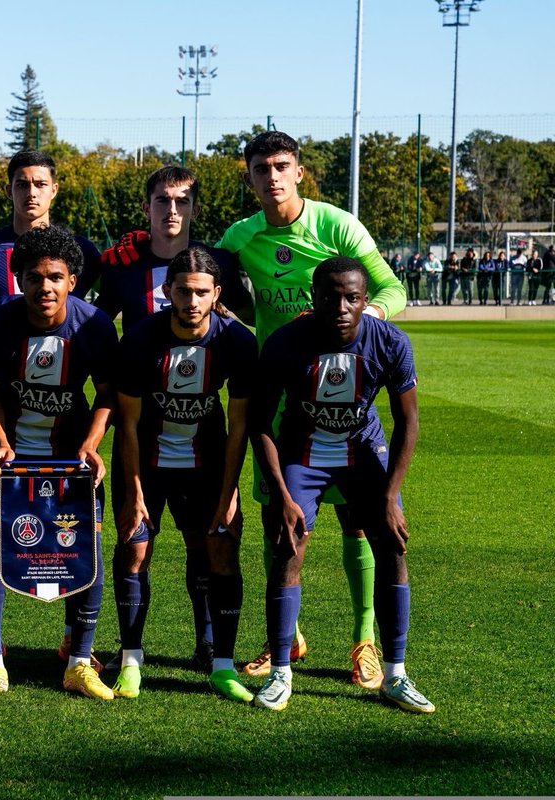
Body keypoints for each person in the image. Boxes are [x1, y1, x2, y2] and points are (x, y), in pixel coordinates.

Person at [216, 131, 406, 689]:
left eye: (281, 166)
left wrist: (361, 324)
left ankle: (365, 639)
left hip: (345, 399)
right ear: (249, 178)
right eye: (259, 168)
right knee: (281, 523)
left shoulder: (337, 226)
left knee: (359, 524)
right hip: (283, 402)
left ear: (300, 172)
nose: (271, 176)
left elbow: (392, 289)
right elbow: (227, 296)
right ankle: (287, 639)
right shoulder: (239, 237)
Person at [249, 257, 432, 714]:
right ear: (314, 299)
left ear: (365, 300)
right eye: (330, 297)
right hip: (302, 454)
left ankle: (396, 674)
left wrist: (390, 496)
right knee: (288, 547)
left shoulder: (390, 341)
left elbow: (408, 422)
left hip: (362, 453)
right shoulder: (286, 342)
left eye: (352, 297)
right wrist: (282, 494)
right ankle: (280, 674)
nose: (341, 306)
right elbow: (260, 424)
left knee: (392, 546)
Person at [0, 224, 118, 701]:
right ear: (19, 279)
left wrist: (91, 444)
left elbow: (109, 394)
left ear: (72, 280)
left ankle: (78, 661)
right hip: (8, 459)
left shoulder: (93, 326)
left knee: (83, 548)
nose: (44, 287)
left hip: (68, 461)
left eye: (55, 277)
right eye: (34, 277)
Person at [112, 247, 258, 703]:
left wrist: (229, 492)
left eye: (200, 293)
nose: (191, 301)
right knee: (135, 551)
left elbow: (239, 429)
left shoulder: (236, 341)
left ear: (217, 294)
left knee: (219, 549)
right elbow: (129, 426)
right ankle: (132, 659)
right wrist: (134, 492)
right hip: (148, 461)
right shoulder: (138, 340)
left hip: (208, 460)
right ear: (165, 291)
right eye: (182, 291)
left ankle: (221, 664)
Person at [0, 149, 101, 329]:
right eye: (22, 184)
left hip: (66, 356)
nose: (32, 192)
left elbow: (115, 296)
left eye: (40, 184)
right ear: (9, 190)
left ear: (54, 190)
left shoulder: (82, 250)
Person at [96, 165, 249, 333]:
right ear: (147, 209)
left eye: (182, 201)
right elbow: (95, 326)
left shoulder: (218, 262)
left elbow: (254, 317)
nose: (172, 210)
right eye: (162, 200)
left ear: (195, 211)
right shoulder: (123, 264)